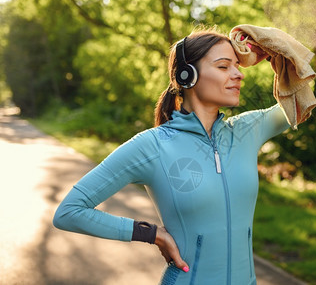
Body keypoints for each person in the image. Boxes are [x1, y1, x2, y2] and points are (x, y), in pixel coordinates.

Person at [53, 27, 292, 285]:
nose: (238, 74)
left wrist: (271, 47)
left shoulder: (247, 131)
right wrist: (152, 234)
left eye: (237, 66)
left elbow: (299, 103)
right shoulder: (153, 145)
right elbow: (69, 211)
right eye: (224, 67)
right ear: (187, 76)